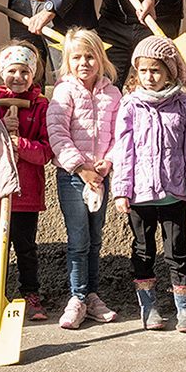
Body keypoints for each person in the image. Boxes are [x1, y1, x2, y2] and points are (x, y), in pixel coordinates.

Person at [111, 36, 186, 333]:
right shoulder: (130, 105)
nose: (149, 77)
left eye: (156, 70)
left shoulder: (183, 105)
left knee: (177, 250)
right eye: (143, 71)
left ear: (169, 71)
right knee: (143, 249)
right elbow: (123, 150)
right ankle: (149, 306)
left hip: (173, 193)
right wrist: (121, 190)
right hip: (140, 194)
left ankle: (185, 308)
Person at [46, 26, 122, 330]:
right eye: (77, 57)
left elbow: (120, 134)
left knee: (95, 240)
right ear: (67, 60)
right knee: (78, 240)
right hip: (73, 177)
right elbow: (58, 133)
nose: (84, 63)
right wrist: (80, 167)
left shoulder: (113, 94)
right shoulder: (63, 92)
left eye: (90, 57)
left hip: (100, 178)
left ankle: (91, 296)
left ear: (101, 59)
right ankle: (76, 297)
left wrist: (109, 161)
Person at [0, 43, 53, 323]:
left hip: (26, 192)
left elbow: (46, 152)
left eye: (24, 71)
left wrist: (21, 144)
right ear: (3, 73)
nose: (18, 76)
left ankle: (30, 294)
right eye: (12, 70)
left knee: (26, 247)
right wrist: (4, 134)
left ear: (33, 74)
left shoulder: (40, 106)